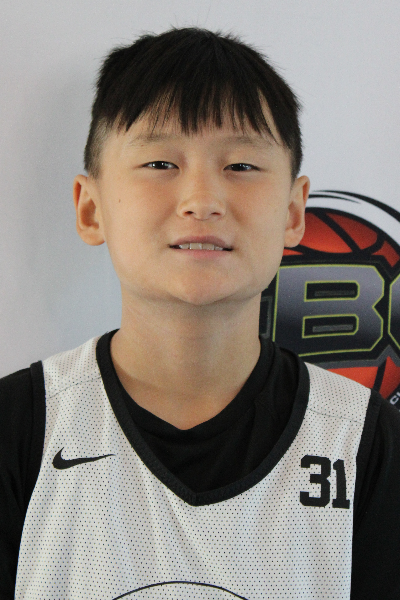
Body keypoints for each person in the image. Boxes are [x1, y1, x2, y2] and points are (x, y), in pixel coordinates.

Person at [1, 26, 399, 600]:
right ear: (91, 209)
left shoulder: (367, 445)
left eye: (241, 166)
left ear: (293, 212)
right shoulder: (19, 432)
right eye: (160, 162)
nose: (202, 201)